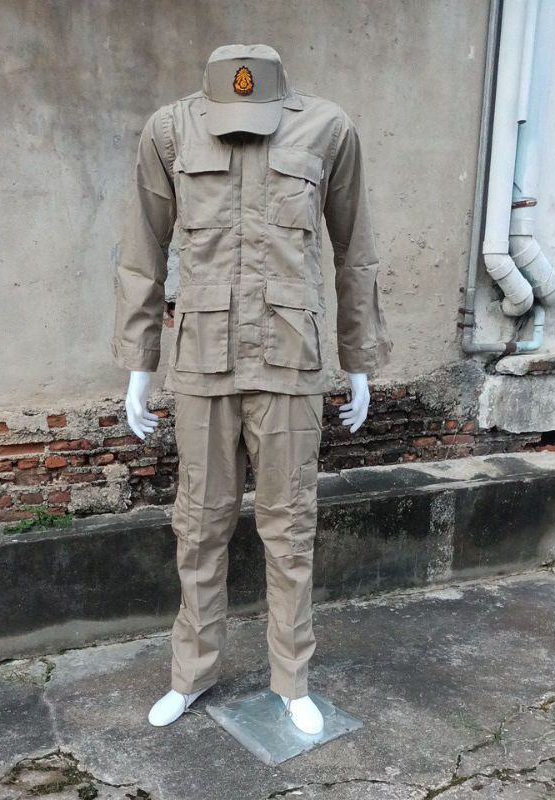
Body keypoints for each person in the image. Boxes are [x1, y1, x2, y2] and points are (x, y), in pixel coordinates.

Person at [112, 43, 393, 735]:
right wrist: (139, 365)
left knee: (290, 527)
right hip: (202, 363)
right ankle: (190, 676)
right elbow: (142, 255)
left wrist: (358, 361)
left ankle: (292, 681)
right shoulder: (170, 130)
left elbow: (355, 253)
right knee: (198, 526)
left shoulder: (327, 129)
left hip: (288, 362)